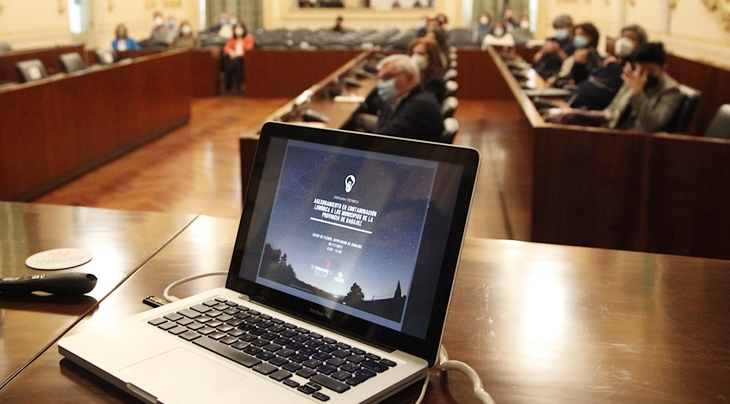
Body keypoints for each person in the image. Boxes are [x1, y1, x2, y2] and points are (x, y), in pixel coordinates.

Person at [551, 42, 684, 133]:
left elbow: (652, 125)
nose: (645, 76)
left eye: (650, 71)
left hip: (637, 140)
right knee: (563, 121)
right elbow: (613, 110)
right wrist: (584, 116)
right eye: (641, 71)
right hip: (611, 128)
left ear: (663, 68)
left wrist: (638, 93)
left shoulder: (671, 91)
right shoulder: (633, 77)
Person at [569, 24, 648, 110]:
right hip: (574, 98)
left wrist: (615, 66)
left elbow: (619, 84)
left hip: (589, 108)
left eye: (630, 39)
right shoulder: (607, 60)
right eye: (622, 37)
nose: (624, 42)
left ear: (640, 44)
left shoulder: (635, 68)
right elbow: (581, 80)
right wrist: (579, 65)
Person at [374, 54, 445, 142]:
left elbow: (383, 140)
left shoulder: (420, 105)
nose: (381, 83)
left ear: (408, 78)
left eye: (387, 77)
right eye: (379, 78)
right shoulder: (398, 99)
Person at [547, 22, 602, 88]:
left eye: (581, 35)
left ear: (591, 37)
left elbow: (579, 78)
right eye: (576, 35)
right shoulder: (576, 51)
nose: (577, 38)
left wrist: (557, 80)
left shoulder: (590, 54)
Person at [533, 14, 574, 79]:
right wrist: (543, 51)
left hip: (556, 74)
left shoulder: (572, 43)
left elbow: (569, 62)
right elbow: (535, 59)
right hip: (542, 70)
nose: (559, 30)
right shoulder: (552, 40)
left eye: (562, 27)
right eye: (557, 28)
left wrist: (557, 51)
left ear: (570, 27)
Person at [408, 36, 447, 102]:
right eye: (413, 53)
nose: (415, 57)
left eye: (421, 54)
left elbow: (422, 102)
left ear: (431, 57)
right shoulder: (417, 76)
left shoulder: (435, 81)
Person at [223, 22, 255, 94]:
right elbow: (226, 48)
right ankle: (238, 87)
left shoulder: (248, 37)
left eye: (240, 27)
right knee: (232, 61)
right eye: (236, 28)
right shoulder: (232, 39)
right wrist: (230, 51)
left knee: (237, 62)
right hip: (234, 58)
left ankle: (231, 74)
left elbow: (249, 48)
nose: (238, 29)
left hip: (244, 59)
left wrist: (239, 52)